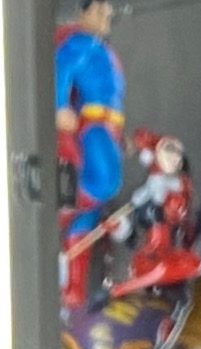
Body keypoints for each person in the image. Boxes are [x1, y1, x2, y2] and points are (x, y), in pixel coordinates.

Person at [56, 1, 125, 304]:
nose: (107, 12)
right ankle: (65, 209)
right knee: (105, 183)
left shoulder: (102, 48)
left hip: (111, 125)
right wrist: (59, 106)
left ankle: (74, 286)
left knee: (91, 215)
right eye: (99, 8)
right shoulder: (80, 43)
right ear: (82, 11)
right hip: (94, 123)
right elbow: (61, 67)